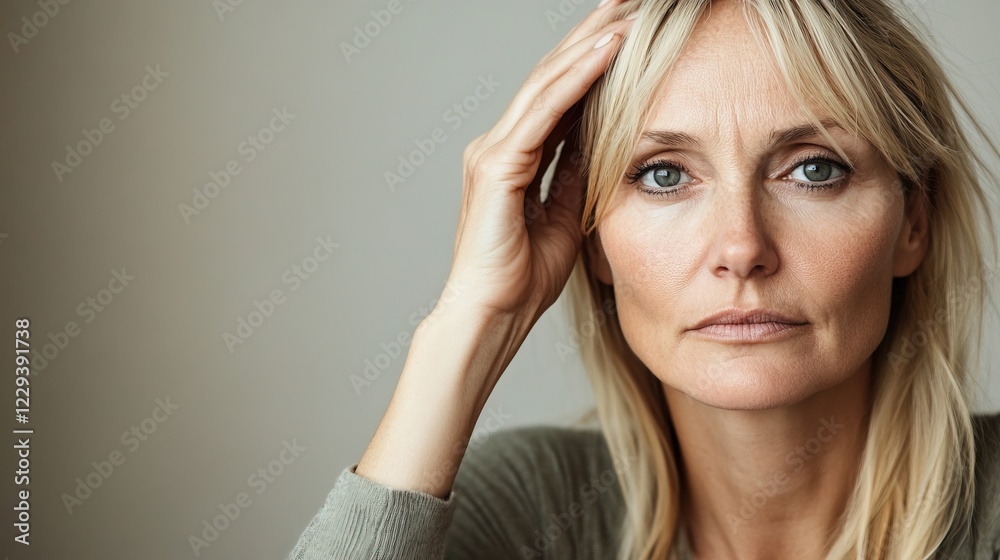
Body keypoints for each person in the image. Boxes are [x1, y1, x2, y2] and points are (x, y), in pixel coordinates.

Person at [290, 0, 1000, 558]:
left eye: (814, 168)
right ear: (591, 239)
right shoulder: (528, 511)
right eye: (664, 175)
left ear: (914, 221)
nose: (741, 247)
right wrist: (472, 317)